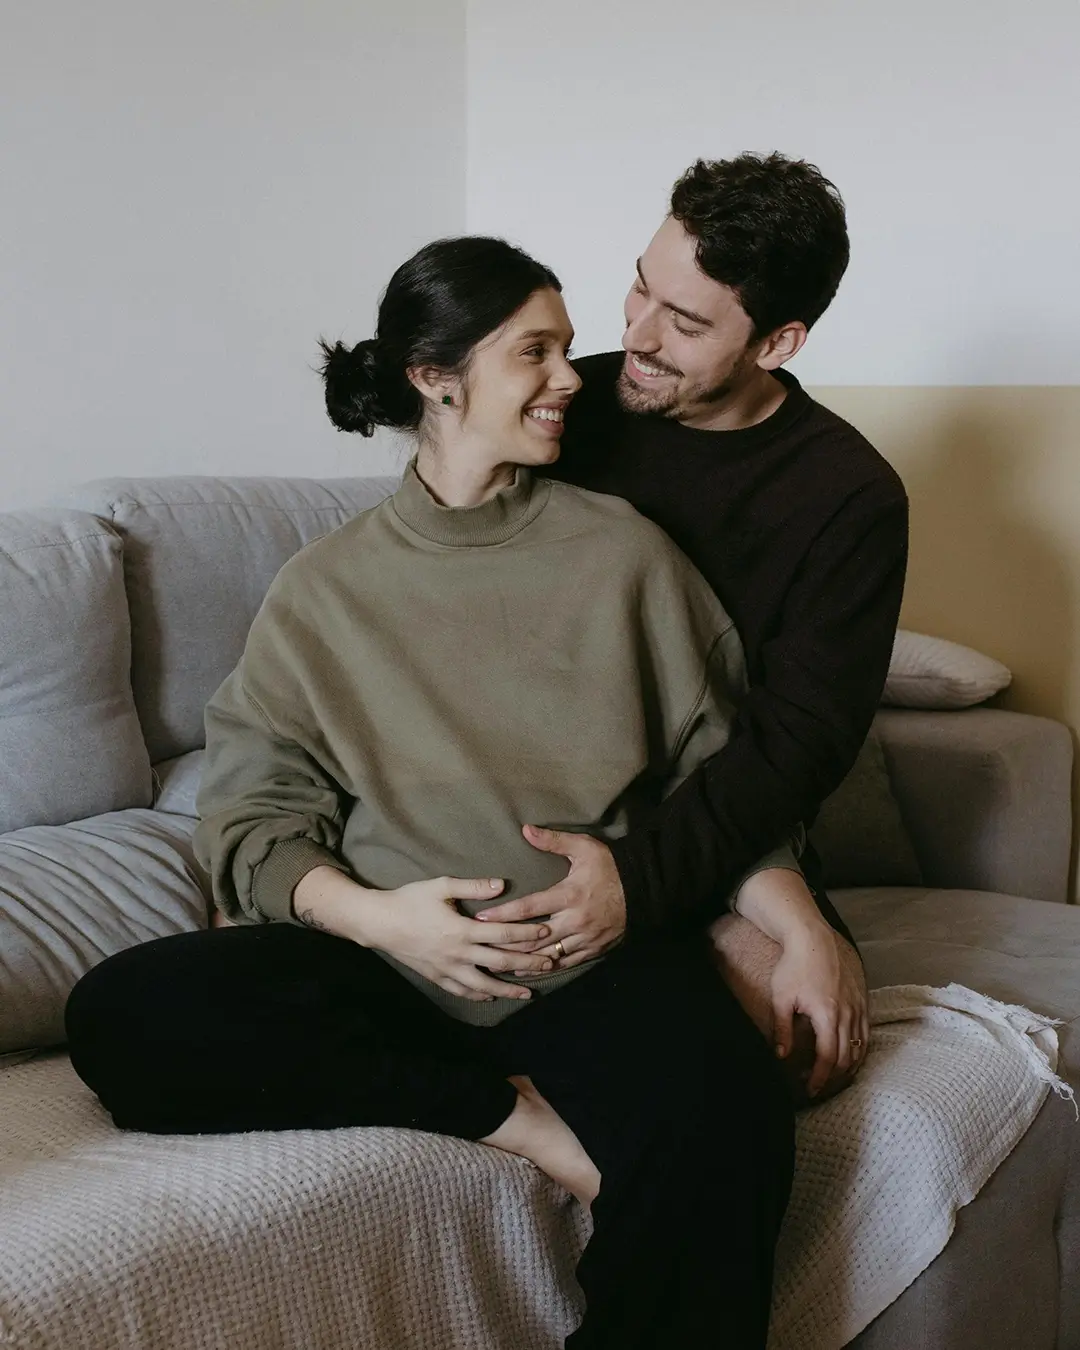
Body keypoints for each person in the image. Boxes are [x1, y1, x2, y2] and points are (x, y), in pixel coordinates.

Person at [65, 235, 835, 1349]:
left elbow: (720, 783)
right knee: (124, 1015)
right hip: (385, 967)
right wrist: (385, 921)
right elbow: (251, 815)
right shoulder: (325, 590)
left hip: (586, 967)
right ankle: (507, 1116)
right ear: (437, 374)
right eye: (538, 351)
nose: (575, 376)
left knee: (733, 1125)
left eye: (569, 348)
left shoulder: (625, 558)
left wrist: (798, 923)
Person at [485, 152, 909, 1082]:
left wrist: (641, 882)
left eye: (682, 323)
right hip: (523, 796)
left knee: (802, 1054)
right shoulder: (563, 408)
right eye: (638, 291)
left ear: (777, 344)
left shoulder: (849, 496)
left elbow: (795, 745)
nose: (634, 334)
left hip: (711, 823)